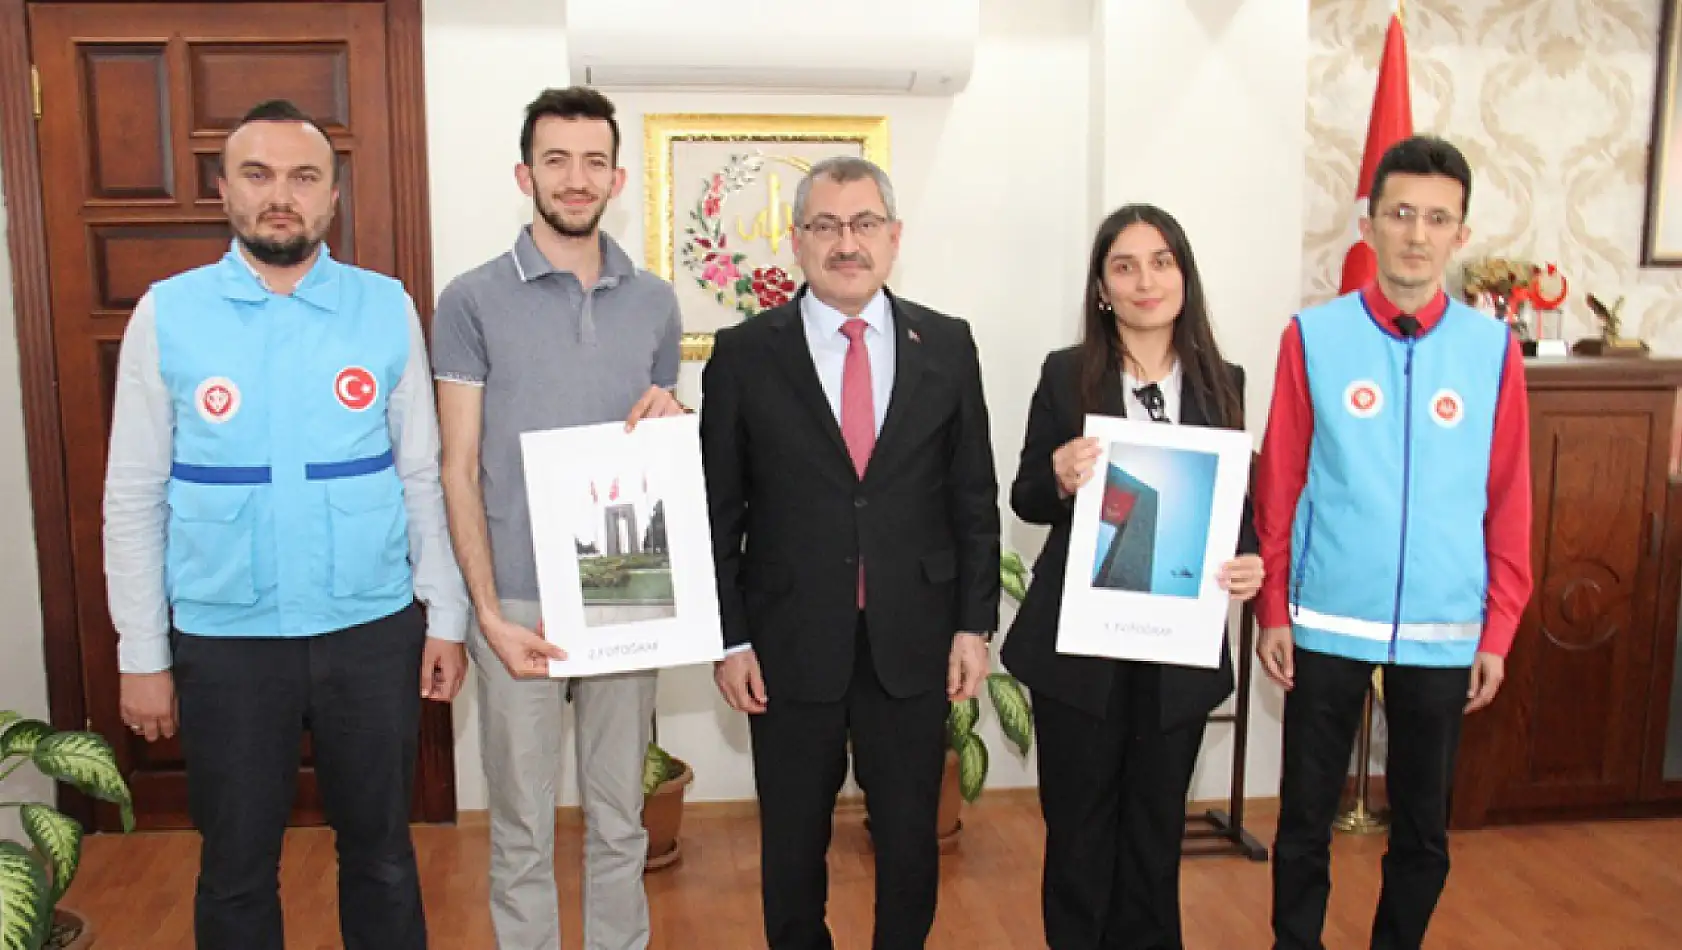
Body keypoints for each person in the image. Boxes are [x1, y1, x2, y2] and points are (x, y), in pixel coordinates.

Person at [103, 98, 470, 950]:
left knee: (380, 855)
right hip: (226, 640)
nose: (282, 195)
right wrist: (142, 655)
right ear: (222, 190)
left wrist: (444, 619)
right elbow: (132, 493)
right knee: (235, 866)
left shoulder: (385, 308)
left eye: (303, 177)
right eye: (258, 175)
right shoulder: (168, 312)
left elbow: (421, 473)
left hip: (370, 633)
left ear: (333, 197)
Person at [700, 155, 1000, 949]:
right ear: (796, 242)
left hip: (915, 638)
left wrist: (975, 625)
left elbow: (973, 496)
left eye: (863, 223)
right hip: (788, 641)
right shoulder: (743, 354)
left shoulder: (948, 344)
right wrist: (729, 639)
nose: (846, 242)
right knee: (792, 844)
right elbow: (716, 512)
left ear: (893, 237)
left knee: (910, 843)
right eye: (825, 225)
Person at [1254, 134, 1533, 950]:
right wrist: (1275, 605)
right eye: (1402, 214)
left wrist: (1500, 626)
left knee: (1422, 832)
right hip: (1326, 617)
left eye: (1437, 219)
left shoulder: (1492, 352)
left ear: (1461, 237)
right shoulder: (1312, 337)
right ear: (1369, 224)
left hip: (1446, 630)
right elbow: (1280, 484)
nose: (1417, 233)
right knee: (1304, 819)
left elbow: (1509, 495)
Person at [431, 86, 685, 950]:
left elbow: (655, 448)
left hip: (624, 585)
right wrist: (487, 615)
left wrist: (673, 427)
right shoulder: (469, 300)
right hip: (519, 602)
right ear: (525, 173)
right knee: (521, 831)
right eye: (555, 160)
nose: (575, 180)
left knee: (621, 821)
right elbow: (456, 468)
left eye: (592, 162)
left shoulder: (655, 302)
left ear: (615, 177)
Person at [999, 204, 1265, 950]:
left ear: (1184, 276)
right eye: (1125, 265)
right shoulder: (1066, 374)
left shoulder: (1224, 381)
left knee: (1154, 841)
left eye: (1161, 261)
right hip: (1081, 652)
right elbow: (1023, 494)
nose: (1145, 280)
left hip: (1177, 650)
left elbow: (1234, 505)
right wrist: (1056, 472)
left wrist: (1248, 560)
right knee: (1079, 839)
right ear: (1101, 289)